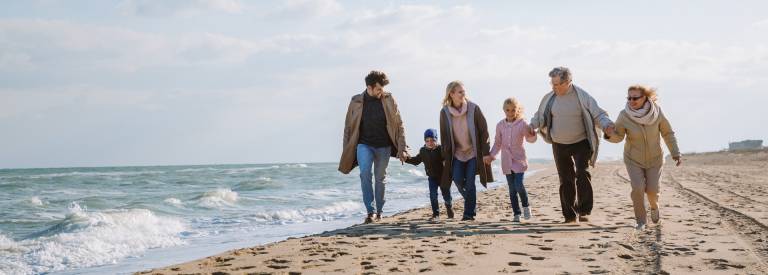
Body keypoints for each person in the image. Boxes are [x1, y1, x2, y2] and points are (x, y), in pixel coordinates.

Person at [529, 67, 614, 223]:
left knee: (582, 173)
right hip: (559, 143)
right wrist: (531, 126)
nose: (554, 88)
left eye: (557, 84)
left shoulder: (582, 96)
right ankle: (569, 215)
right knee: (565, 179)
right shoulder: (550, 98)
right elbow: (539, 116)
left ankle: (584, 210)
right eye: (552, 84)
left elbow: (598, 114)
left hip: (581, 142)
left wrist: (607, 125)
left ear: (568, 82)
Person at [605, 85, 681, 230]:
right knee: (638, 188)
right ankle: (641, 221)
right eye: (629, 98)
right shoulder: (624, 115)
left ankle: (654, 207)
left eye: (635, 98)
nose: (631, 101)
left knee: (652, 190)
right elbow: (618, 137)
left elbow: (667, 133)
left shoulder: (657, 112)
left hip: (655, 158)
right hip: (633, 159)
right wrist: (610, 134)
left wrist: (675, 153)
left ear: (645, 97)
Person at [338, 70, 409, 224]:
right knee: (365, 174)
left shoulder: (389, 99)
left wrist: (402, 147)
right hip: (364, 145)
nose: (381, 92)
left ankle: (379, 211)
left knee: (380, 178)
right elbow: (348, 127)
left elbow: (399, 124)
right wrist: (347, 150)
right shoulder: (356, 101)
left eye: (382, 88)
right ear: (369, 88)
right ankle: (370, 212)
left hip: (384, 146)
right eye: (378, 89)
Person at [439, 80, 494, 221]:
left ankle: (468, 214)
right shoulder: (444, 112)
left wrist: (485, 152)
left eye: (464, 91)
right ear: (451, 94)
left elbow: (484, 131)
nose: (464, 94)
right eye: (460, 92)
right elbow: (444, 136)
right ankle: (471, 201)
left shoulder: (473, 108)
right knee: (457, 179)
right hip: (456, 154)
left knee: (470, 182)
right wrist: (444, 157)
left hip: (473, 152)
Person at [484, 97, 537, 222]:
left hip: (519, 160)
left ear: (517, 110)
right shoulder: (500, 125)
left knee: (519, 185)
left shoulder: (522, 124)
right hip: (506, 161)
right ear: (504, 110)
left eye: (513, 110)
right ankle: (516, 213)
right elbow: (497, 143)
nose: (510, 113)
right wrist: (492, 156)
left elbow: (529, 138)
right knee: (512, 189)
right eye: (508, 110)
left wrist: (533, 133)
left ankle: (526, 206)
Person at [405, 129, 454, 221]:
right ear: (425, 141)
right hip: (432, 177)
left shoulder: (441, 149)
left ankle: (449, 207)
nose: (430, 143)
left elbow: (447, 160)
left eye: (432, 140)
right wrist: (406, 159)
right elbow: (416, 160)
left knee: (446, 195)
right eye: (427, 141)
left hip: (443, 177)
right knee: (433, 195)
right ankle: (436, 214)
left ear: (436, 140)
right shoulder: (423, 151)